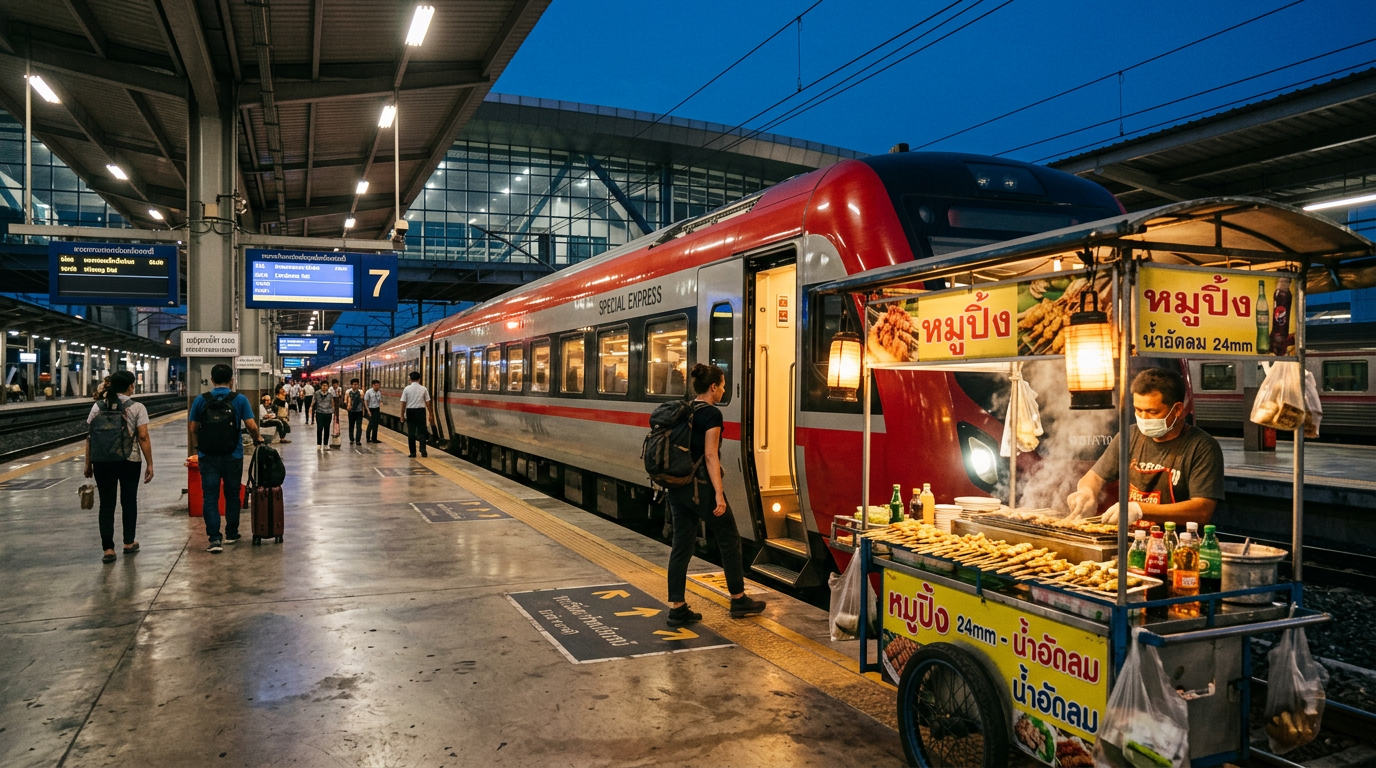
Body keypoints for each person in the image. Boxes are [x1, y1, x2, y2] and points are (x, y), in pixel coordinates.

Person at [665, 364, 766, 626]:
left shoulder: (685, 410)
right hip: (701, 489)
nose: (723, 390)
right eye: (722, 386)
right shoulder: (711, 414)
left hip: (678, 486)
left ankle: (677, 608)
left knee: (681, 545)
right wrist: (719, 494)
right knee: (729, 539)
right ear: (713, 387)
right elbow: (710, 455)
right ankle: (738, 599)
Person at [1066, 368, 1224, 528]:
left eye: (1152, 412)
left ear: (1177, 409)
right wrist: (1086, 492)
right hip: (1133, 537)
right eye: (1138, 410)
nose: (1143, 417)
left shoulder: (1202, 447)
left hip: (1176, 540)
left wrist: (1140, 509)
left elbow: (1202, 510)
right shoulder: (1129, 436)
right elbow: (1094, 477)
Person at [188, 364, 262, 554]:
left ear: (212, 380)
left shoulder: (201, 400)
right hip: (233, 454)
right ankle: (231, 533)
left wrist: (199, 447)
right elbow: (252, 426)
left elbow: (193, 428)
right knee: (232, 495)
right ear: (232, 380)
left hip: (207, 456)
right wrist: (257, 439)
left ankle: (214, 539)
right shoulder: (239, 399)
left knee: (210, 497)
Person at [84, 370, 153, 563]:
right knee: (129, 501)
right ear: (131, 386)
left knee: (106, 503)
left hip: (102, 461)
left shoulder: (98, 406)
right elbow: (143, 437)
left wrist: (88, 463)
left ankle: (108, 549)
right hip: (129, 460)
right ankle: (128, 542)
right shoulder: (137, 407)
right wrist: (150, 463)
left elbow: (90, 437)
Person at [400, 371, 432, 458]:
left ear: (410, 379)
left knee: (411, 432)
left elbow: (403, 403)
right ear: (419, 379)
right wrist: (430, 413)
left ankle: (413, 452)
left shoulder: (407, 389)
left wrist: (402, 415)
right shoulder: (424, 389)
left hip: (410, 411)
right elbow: (428, 402)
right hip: (421, 411)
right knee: (422, 432)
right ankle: (423, 451)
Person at [312, 378, 338, 449]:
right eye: (323, 385)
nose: (324, 387)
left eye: (326, 386)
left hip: (328, 413)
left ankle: (326, 444)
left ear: (328, 386)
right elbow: (313, 401)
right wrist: (311, 408)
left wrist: (333, 411)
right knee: (319, 428)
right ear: (321, 386)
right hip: (319, 413)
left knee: (327, 428)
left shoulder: (330, 394)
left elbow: (332, 403)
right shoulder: (317, 393)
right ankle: (319, 444)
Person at [345, 379, 366, 445]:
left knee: (359, 426)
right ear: (351, 385)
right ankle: (351, 439)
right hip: (351, 412)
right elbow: (345, 400)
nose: (355, 386)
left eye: (357, 384)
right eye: (354, 384)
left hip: (359, 411)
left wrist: (363, 410)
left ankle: (358, 440)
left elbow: (362, 401)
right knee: (351, 426)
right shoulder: (348, 392)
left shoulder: (361, 392)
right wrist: (348, 405)